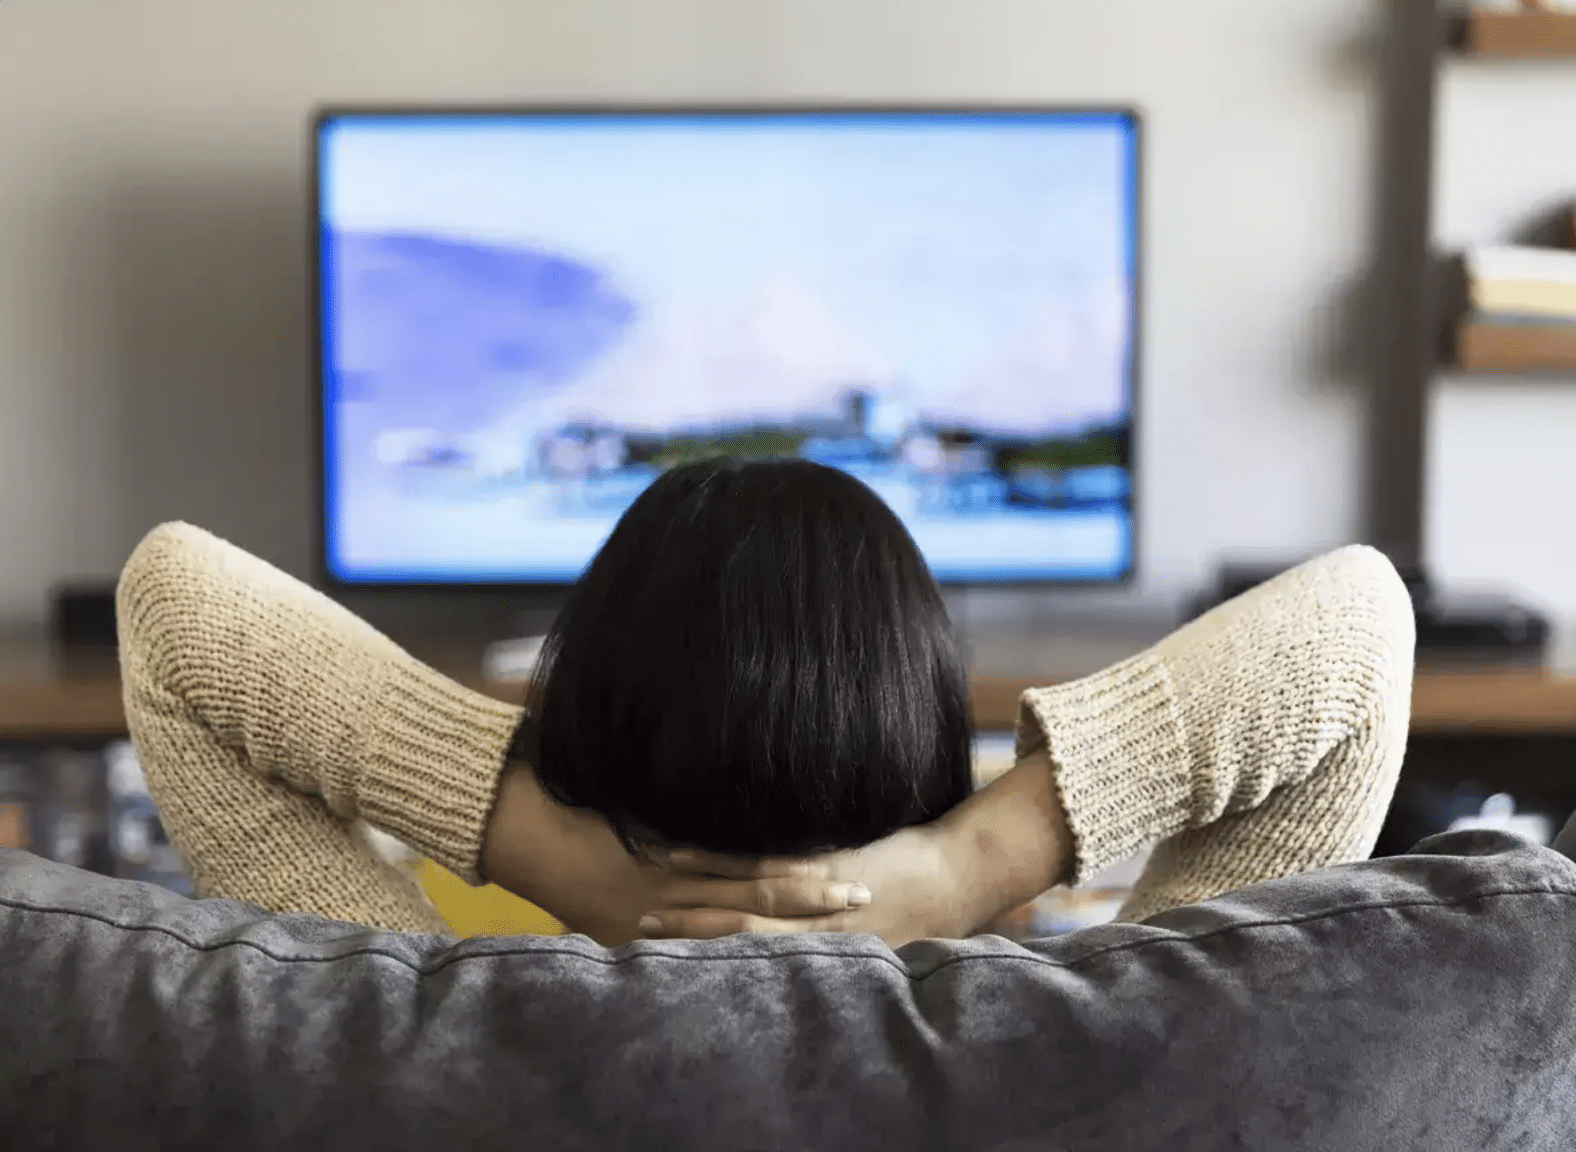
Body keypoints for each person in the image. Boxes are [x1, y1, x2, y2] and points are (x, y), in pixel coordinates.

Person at [115, 457, 1414, 945]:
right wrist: (964, 869)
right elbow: (1358, 622)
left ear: (583, 727)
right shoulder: (1113, 1054)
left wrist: (556, 859)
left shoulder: (418, 1049)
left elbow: (174, 606)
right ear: (923, 746)